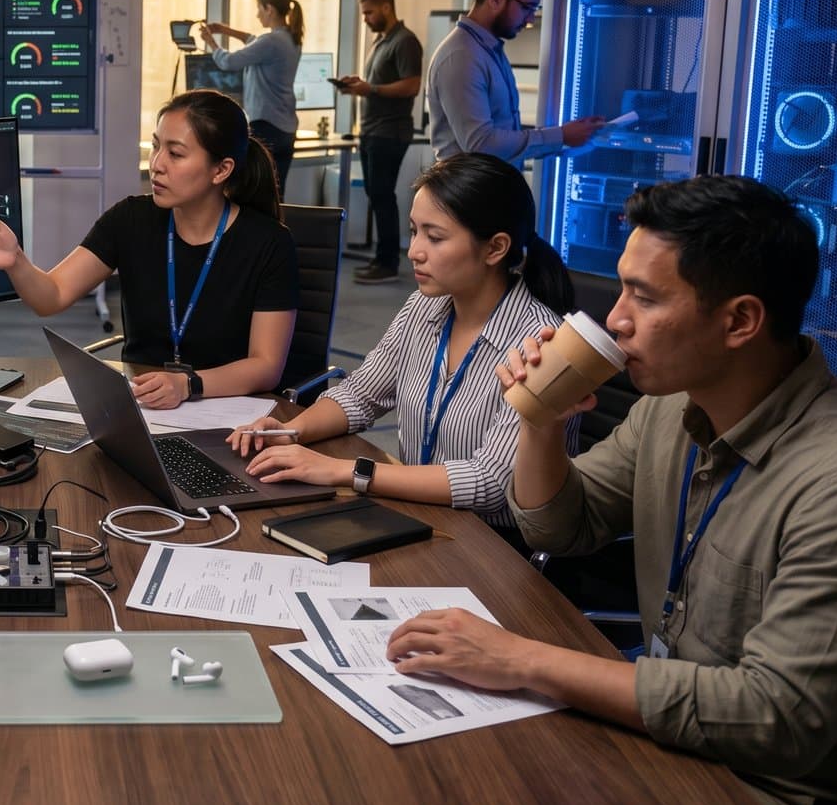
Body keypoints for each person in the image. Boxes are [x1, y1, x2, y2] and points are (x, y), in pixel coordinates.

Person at [387, 175, 837, 805]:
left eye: (643, 299)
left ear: (741, 321)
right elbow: (560, 528)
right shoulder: (674, 408)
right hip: (670, 741)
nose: (615, 319)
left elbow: (775, 719)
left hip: (771, 790)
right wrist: (540, 422)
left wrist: (523, 660)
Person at [227, 153, 576, 530]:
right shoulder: (424, 307)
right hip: (418, 514)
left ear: (495, 248)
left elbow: (491, 482)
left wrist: (345, 472)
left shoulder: (541, 345)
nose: (414, 252)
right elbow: (361, 394)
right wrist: (290, 431)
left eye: (435, 237)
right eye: (414, 231)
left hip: (493, 545)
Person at [0, 90, 295, 409]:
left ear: (221, 169)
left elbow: (266, 366)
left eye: (175, 154)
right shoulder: (131, 218)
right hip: (141, 406)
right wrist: (16, 261)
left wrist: (188, 384)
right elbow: (51, 296)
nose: (157, 163)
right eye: (156, 146)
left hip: (229, 412)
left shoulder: (268, 243)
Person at [426, 0, 602, 164]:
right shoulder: (461, 56)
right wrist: (561, 136)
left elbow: (504, 135)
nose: (529, 19)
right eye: (527, 8)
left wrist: (565, 137)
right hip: (468, 195)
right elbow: (481, 145)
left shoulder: (487, 50)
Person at [335, 0, 423, 285]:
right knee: (376, 194)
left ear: (386, 7)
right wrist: (360, 84)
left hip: (390, 132)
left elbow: (411, 85)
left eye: (369, 12)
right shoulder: (381, 42)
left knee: (383, 195)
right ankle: (381, 259)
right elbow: (381, 83)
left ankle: (387, 262)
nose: (365, 19)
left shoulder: (405, 42)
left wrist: (369, 89)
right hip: (373, 131)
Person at [198, 0, 304, 195]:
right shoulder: (291, 39)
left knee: (254, 192)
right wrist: (226, 30)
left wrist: (211, 42)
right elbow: (253, 40)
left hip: (267, 126)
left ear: (270, 9)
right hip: (286, 127)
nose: (257, 15)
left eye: (259, 9)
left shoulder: (271, 41)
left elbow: (229, 62)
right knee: (276, 193)